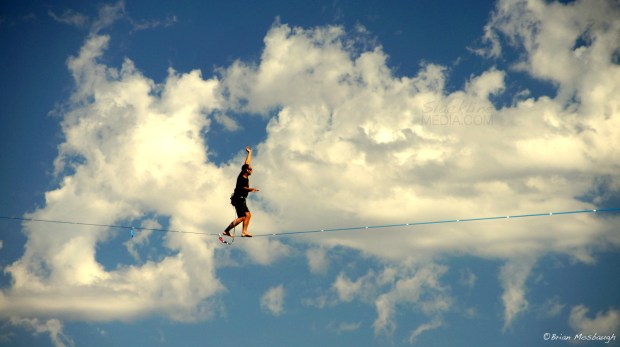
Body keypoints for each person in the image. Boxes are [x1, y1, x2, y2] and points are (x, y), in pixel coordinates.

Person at [222, 146, 259, 238]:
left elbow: (247, 163)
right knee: (242, 217)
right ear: (246, 170)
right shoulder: (242, 177)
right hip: (238, 199)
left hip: (240, 199)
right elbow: (242, 188)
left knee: (248, 215)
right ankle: (226, 231)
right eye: (250, 169)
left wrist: (249, 153)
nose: (251, 170)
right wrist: (251, 189)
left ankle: (244, 232)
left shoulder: (245, 174)